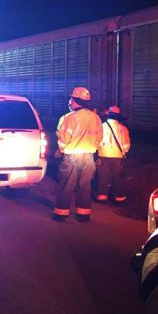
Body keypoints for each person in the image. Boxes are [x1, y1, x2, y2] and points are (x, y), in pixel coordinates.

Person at [52, 87, 103, 222]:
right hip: (88, 156)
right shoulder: (95, 117)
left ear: (75, 100)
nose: (69, 101)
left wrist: (60, 151)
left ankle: (61, 213)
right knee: (85, 186)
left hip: (71, 156)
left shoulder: (67, 118)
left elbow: (63, 138)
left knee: (66, 185)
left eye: (71, 99)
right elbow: (99, 137)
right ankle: (83, 214)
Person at [96, 105, 131, 204]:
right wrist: (124, 151)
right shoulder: (123, 128)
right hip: (118, 156)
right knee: (117, 176)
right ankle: (119, 196)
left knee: (103, 175)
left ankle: (102, 195)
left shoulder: (102, 127)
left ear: (108, 114)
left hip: (103, 155)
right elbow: (126, 144)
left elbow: (97, 141)